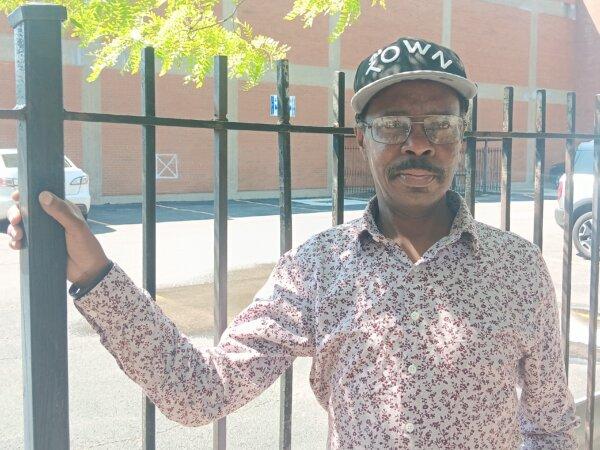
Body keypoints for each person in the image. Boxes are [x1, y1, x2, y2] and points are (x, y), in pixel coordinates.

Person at [6, 37, 580, 449]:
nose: (419, 144)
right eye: (392, 126)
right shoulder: (319, 268)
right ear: (361, 139)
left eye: (440, 125)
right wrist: (95, 275)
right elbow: (200, 392)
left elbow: (550, 426)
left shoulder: (517, 267)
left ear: (462, 137)